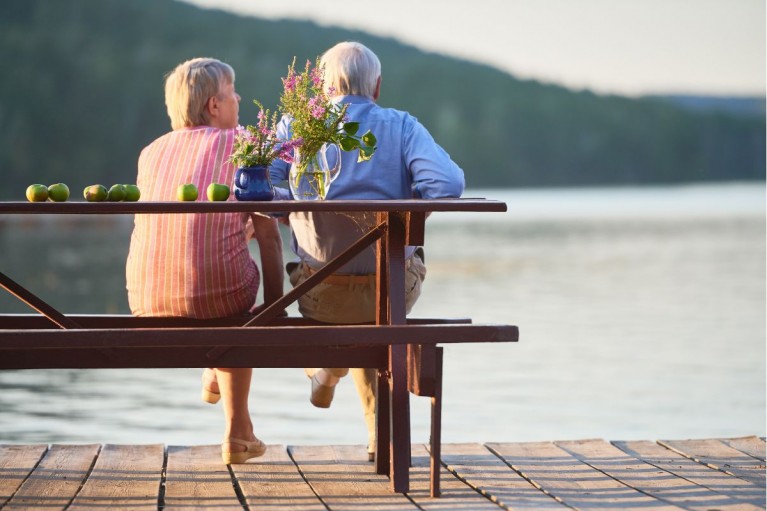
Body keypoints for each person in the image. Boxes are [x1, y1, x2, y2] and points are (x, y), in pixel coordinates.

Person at [269, 41, 465, 459]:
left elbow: (263, 190)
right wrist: (406, 199)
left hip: (318, 292)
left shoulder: (294, 127)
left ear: (321, 88)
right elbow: (447, 186)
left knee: (358, 302)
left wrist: (294, 204)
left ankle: (329, 368)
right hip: (393, 294)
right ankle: (380, 434)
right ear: (376, 87)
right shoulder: (401, 127)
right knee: (384, 285)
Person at [126, 57, 284, 464]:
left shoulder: (151, 151)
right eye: (233, 93)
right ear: (215, 105)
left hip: (146, 301)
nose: (240, 100)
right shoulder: (243, 143)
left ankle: (221, 385)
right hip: (219, 298)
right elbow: (268, 234)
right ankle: (237, 430)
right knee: (235, 284)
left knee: (225, 232)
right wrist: (276, 306)